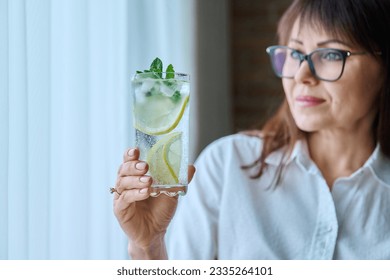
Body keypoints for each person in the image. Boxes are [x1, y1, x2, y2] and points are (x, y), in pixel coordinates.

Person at [112, 0, 390, 259]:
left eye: (330, 54)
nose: (302, 75)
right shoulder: (226, 165)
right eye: (294, 53)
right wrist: (148, 245)